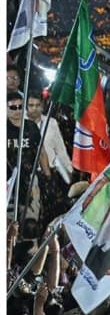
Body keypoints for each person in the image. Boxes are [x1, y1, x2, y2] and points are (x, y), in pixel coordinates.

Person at [7, 91, 50, 220]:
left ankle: (32, 239)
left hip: (30, 179)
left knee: (31, 218)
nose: (17, 110)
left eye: (20, 107)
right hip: (7, 181)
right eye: (13, 107)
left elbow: (41, 152)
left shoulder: (31, 127)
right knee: (8, 219)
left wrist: (47, 175)